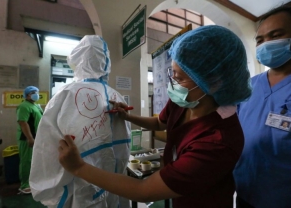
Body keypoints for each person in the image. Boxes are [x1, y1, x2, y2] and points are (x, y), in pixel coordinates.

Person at [58, 25, 252, 208]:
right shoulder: (185, 100)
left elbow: (144, 191)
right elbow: (160, 123)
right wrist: (128, 117)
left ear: (215, 83)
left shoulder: (218, 141)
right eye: (172, 73)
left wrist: (79, 168)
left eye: (181, 78)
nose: (173, 82)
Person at [29, 35, 131, 208]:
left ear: (78, 59)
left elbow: (47, 149)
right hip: (117, 186)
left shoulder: (66, 94)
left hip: (81, 190)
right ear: (106, 61)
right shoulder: (117, 95)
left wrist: (50, 194)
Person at [233, 5, 291, 208]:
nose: (266, 44)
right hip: (245, 191)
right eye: (260, 40)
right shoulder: (250, 85)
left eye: (275, 36)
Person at [16, 86, 43, 194]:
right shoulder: (23, 106)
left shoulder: (35, 106)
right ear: (27, 94)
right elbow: (23, 122)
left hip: (37, 137)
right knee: (26, 161)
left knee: (34, 161)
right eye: (32, 92)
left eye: (36, 92)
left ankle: (33, 182)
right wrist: (30, 138)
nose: (36, 94)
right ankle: (24, 185)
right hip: (27, 138)